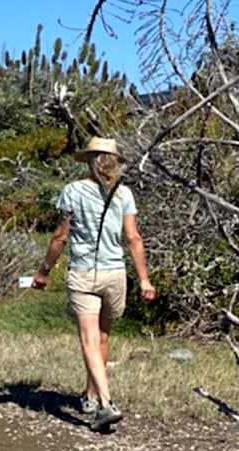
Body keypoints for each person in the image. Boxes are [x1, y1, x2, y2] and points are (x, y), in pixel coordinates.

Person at [32, 137, 156, 431]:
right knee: (101, 339)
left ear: (89, 160)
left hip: (84, 273)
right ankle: (89, 396)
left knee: (88, 341)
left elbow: (60, 237)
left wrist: (44, 271)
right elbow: (134, 238)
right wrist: (143, 278)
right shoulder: (124, 194)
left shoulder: (72, 191)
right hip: (115, 274)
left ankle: (105, 403)